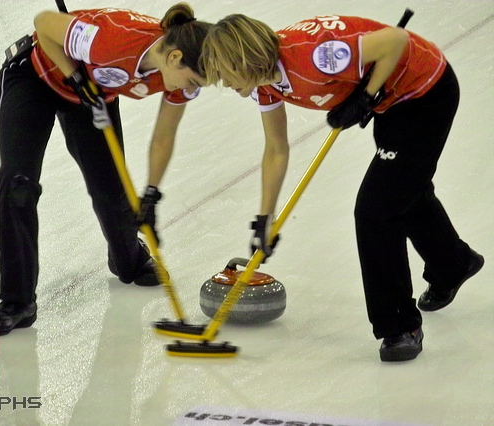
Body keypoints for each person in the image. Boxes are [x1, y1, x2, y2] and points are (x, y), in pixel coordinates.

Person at [200, 13, 484, 361]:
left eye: (225, 74)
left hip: (424, 93)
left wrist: (365, 96)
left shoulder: (315, 56)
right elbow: (276, 148)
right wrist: (265, 219)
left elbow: (396, 40)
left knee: (375, 211)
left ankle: (400, 326)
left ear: (243, 58)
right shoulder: (265, 82)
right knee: (402, 189)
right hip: (392, 104)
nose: (225, 84)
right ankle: (453, 264)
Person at [0, 4, 212, 335]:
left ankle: (127, 259)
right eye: (192, 80)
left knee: (111, 186)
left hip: (91, 96)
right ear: (175, 58)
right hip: (33, 75)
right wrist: (74, 76)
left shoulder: (178, 78)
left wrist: (150, 195)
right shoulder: (110, 39)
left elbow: (163, 137)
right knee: (17, 183)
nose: (191, 89)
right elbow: (44, 25)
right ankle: (17, 302)